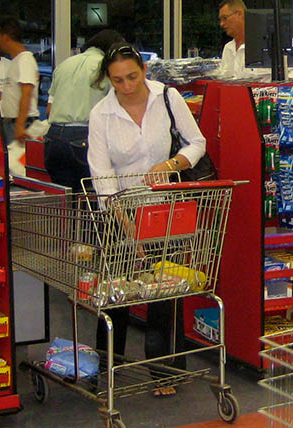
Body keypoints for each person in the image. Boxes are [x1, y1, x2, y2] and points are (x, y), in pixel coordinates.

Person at [87, 42, 207, 396]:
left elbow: (196, 143)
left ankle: (164, 370)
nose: (125, 87)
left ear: (144, 70)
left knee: (164, 292)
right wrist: (123, 221)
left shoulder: (168, 98)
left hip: (162, 209)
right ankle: (109, 366)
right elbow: (100, 173)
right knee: (116, 294)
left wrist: (171, 165)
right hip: (118, 210)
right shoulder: (101, 114)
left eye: (132, 77)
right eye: (117, 81)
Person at [43, 28, 120, 191]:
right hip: (84, 137)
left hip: (53, 139)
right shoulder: (106, 68)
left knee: (65, 202)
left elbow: (49, 109)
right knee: (91, 201)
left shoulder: (64, 65)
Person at [0, 18, 39, 145]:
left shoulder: (25, 60)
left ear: (6, 37)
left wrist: (20, 125)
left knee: (18, 163)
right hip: (12, 122)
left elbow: (27, 93)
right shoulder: (16, 61)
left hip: (21, 123)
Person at [218, 0, 247, 76]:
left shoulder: (262, 47)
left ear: (239, 14)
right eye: (220, 20)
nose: (222, 24)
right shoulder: (228, 48)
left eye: (225, 18)